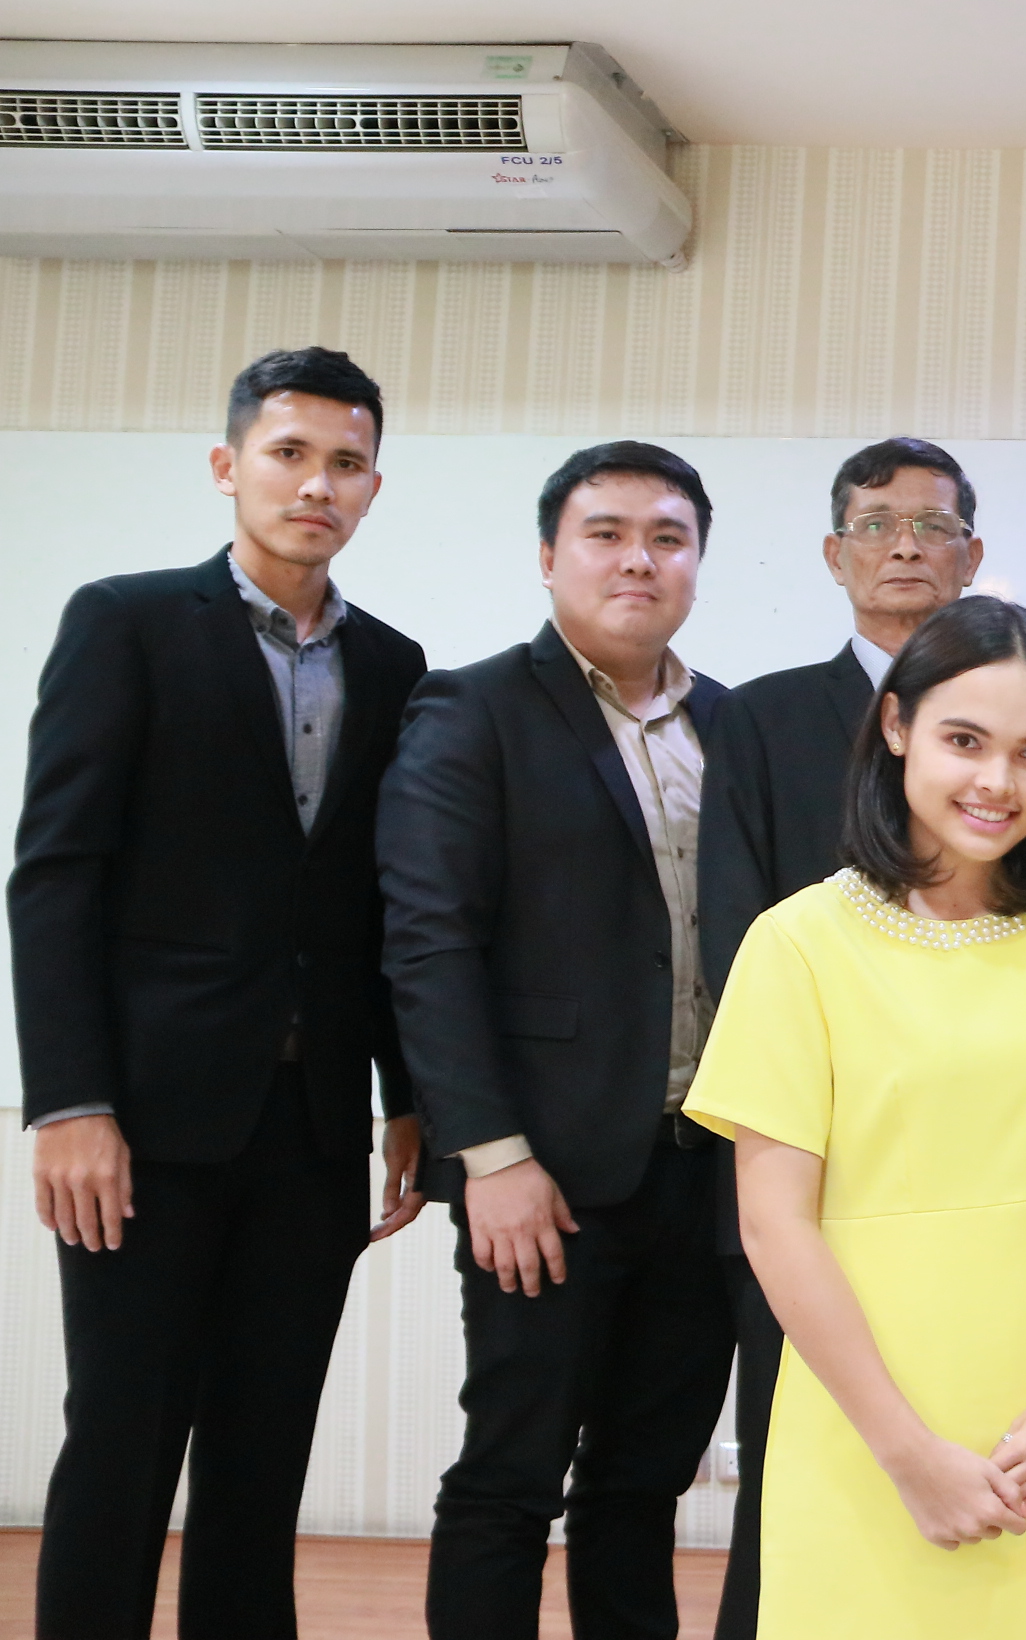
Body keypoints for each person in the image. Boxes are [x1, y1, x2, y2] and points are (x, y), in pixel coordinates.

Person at [12, 346, 430, 1638]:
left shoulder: (396, 664)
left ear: (372, 487)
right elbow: (56, 875)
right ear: (227, 465)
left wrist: (407, 1098)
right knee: (123, 1435)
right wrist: (68, 1100)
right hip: (143, 1121)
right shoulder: (126, 622)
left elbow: (382, 907)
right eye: (288, 453)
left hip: (312, 1126)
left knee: (264, 1450)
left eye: (346, 463)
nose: (317, 484)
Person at [686, 596, 1026, 1637]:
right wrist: (907, 1453)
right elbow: (773, 1223)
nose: (998, 782)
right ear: (896, 726)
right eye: (964, 741)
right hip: (870, 1420)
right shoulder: (797, 942)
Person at [381, 440, 735, 1640]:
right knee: (512, 1474)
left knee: (644, 1482)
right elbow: (429, 942)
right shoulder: (474, 707)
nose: (639, 559)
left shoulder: (732, 724)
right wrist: (491, 1154)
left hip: (707, 1166)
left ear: (696, 562)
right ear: (548, 556)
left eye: (668, 537)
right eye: (606, 533)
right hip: (546, 1174)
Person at [696, 434, 985, 1639]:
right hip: (809, 1165)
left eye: (932, 525)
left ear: (972, 554)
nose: (904, 546)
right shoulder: (760, 717)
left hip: (984, 1168)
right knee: (796, 1470)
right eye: (876, 524)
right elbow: (735, 933)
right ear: (833, 553)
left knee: (978, 1459)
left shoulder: (1021, 712)